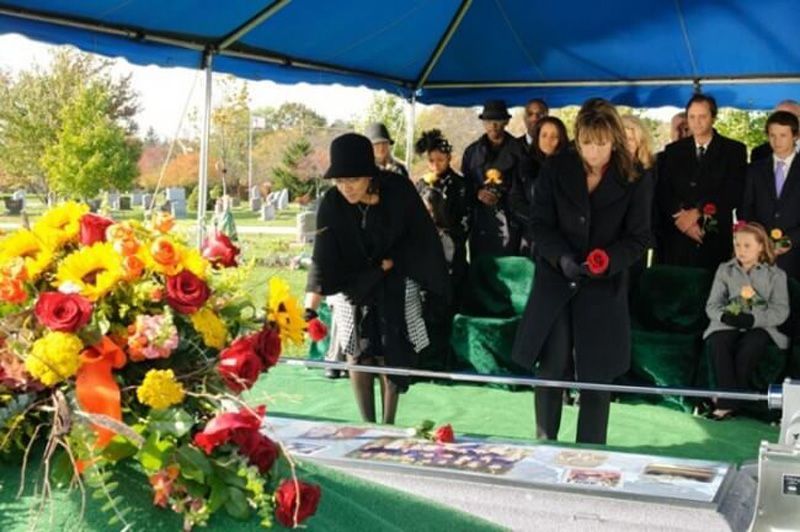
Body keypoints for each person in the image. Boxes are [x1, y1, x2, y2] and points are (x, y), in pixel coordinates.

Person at [511, 99, 652, 445]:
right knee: (552, 365)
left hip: (604, 289)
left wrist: (608, 260)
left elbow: (638, 238)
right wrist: (561, 258)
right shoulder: (556, 168)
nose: (594, 152)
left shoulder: (634, 176)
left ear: (615, 139)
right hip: (556, 281)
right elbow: (540, 224)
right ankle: (545, 443)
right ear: (578, 137)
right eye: (588, 142)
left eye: (602, 143)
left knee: (596, 375)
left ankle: (590, 453)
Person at [310, 133, 448, 424]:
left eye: (354, 180)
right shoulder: (332, 203)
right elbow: (321, 259)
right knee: (356, 349)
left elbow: (421, 236)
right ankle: (367, 426)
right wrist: (309, 307)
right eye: (340, 181)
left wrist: (391, 265)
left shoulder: (397, 189)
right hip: (353, 283)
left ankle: (389, 423)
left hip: (397, 274)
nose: (346, 188)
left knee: (390, 347)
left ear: (369, 176)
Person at [703, 222, 789, 420]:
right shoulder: (725, 270)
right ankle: (732, 402)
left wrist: (753, 320)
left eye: (747, 245)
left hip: (760, 326)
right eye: (737, 245)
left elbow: (780, 310)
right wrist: (724, 316)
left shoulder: (776, 275)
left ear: (761, 246)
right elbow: (712, 305)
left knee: (752, 344)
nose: (741, 250)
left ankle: (725, 403)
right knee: (718, 341)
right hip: (727, 323)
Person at [656, 93, 747, 270]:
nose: (696, 122)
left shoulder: (734, 150)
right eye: (692, 117)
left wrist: (698, 211)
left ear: (713, 117)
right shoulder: (673, 151)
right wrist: (682, 219)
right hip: (677, 238)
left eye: (702, 116)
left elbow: (735, 190)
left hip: (714, 237)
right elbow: (663, 190)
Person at [461, 99, 533, 257]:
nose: (493, 126)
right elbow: (464, 185)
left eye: (498, 120)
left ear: (506, 121)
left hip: (512, 222)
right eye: (488, 121)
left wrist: (503, 194)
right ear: (483, 123)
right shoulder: (471, 152)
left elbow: (526, 189)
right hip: (480, 223)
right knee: (481, 273)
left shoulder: (521, 151)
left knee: (510, 273)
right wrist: (477, 193)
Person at [741, 111, 800, 280]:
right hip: (760, 253)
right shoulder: (755, 170)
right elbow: (746, 208)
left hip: (796, 255)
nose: (777, 141)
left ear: (795, 136)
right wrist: (760, 240)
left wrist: (789, 241)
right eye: (772, 135)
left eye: (783, 135)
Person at [414, 129, 471, 294]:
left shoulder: (460, 185)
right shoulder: (421, 185)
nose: (435, 165)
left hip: (453, 247)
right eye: (431, 160)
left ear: (449, 159)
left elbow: (466, 218)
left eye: (440, 160)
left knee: (453, 291)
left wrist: (445, 230)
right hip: (427, 248)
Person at [510, 116, 569, 257]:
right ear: (537, 137)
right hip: (532, 238)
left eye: (554, 136)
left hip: (563, 238)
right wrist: (537, 223)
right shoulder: (525, 165)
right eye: (544, 135)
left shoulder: (571, 167)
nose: (548, 140)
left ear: (561, 139)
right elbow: (515, 200)